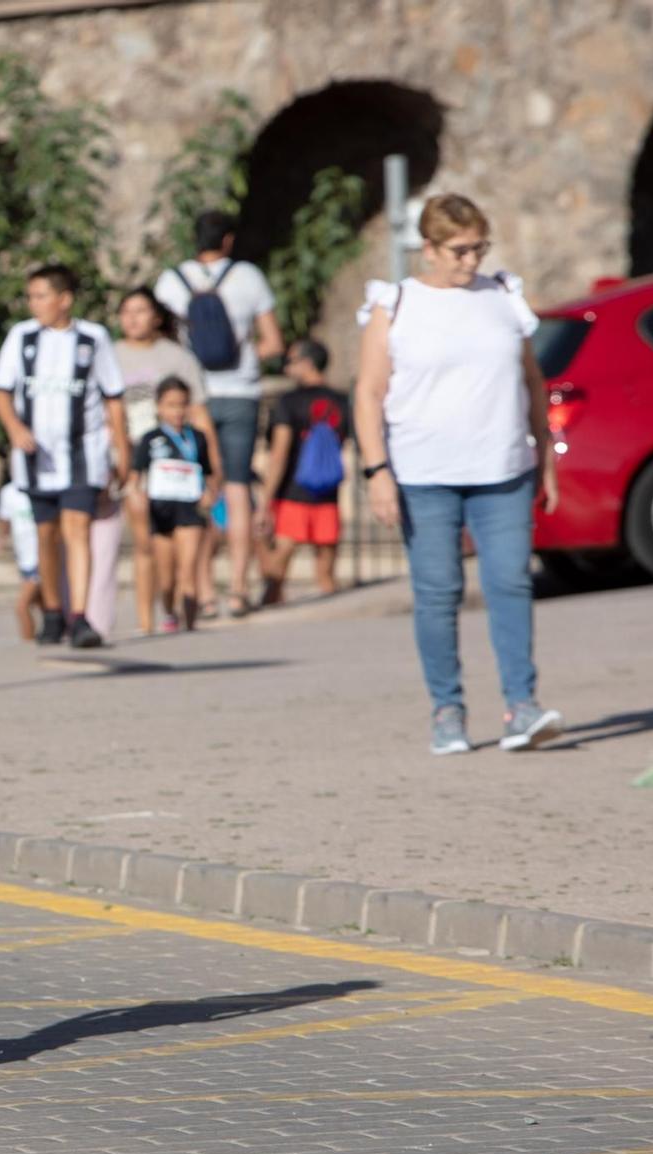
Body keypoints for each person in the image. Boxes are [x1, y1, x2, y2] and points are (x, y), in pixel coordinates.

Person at [354, 193, 564, 756]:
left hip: (503, 468)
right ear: (428, 248)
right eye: (459, 250)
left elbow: (532, 382)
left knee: (511, 583)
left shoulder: (502, 297)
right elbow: (369, 392)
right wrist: (376, 470)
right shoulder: (395, 304)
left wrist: (545, 453)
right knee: (438, 592)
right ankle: (447, 710)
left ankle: (522, 705)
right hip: (424, 473)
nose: (471, 260)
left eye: (479, 248)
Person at [0, 264, 129, 648]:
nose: (34, 303)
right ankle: (52, 610)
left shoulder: (93, 338)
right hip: (36, 460)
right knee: (46, 534)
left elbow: (114, 398)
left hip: (84, 455)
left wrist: (123, 450)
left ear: (64, 299)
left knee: (77, 530)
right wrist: (16, 429)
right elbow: (1, 390)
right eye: (31, 296)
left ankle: (80, 616)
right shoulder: (22, 337)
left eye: (40, 295)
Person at [155, 211, 285, 619]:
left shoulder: (171, 282)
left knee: (199, 486)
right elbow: (274, 342)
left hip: (193, 397)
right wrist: (243, 359)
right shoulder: (248, 277)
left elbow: (162, 346)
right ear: (228, 240)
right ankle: (239, 591)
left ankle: (204, 592)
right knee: (237, 487)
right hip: (242, 394)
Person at [113, 287, 220, 635]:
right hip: (133, 464)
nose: (133, 318)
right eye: (126, 311)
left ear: (156, 316)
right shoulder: (110, 356)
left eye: (140, 310)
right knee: (145, 546)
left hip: (179, 468)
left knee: (181, 551)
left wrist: (214, 476)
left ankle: (179, 612)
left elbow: (201, 416)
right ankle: (147, 622)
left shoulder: (176, 358)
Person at [257, 339, 350, 604]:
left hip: (293, 491)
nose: (286, 367)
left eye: (291, 361)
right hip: (327, 491)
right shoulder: (341, 401)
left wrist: (265, 500)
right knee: (326, 573)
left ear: (307, 363)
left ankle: (270, 607)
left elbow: (279, 453)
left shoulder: (290, 401)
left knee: (280, 562)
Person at [130, 377, 222, 632]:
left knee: (188, 570)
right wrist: (137, 495)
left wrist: (210, 493)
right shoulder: (150, 439)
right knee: (167, 578)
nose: (178, 411)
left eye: (182, 405)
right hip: (161, 511)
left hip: (190, 509)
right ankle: (169, 610)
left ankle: (190, 625)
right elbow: (135, 477)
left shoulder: (198, 438)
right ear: (159, 407)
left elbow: (209, 473)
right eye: (171, 405)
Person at [0, 479, 42, 641]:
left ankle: (28, 645)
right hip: (24, 558)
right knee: (41, 603)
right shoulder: (8, 492)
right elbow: (5, 520)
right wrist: (1, 539)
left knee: (21, 606)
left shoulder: (43, 485)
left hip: (42, 557)